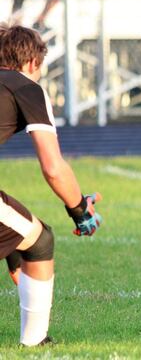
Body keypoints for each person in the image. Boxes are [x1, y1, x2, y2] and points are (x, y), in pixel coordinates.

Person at [0, 23, 103, 346]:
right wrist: (79, 210)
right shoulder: (25, 86)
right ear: (33, 63)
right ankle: (35, 341)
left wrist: (12, 247)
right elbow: (53, 167)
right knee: (40, 241)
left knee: (29, 237)